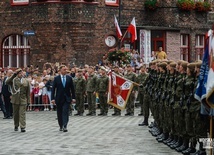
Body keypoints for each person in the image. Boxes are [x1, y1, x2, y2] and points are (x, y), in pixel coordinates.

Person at [51, 65, 76, 132]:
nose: (65, 71)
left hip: (67, 98)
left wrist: (73, 97)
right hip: (59, 98)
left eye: (66, 69)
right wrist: (52, 98)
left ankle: (65, 125)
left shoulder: (69, 78)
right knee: (59, 112)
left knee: (65, 111)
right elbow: (53, 89)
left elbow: (72, 89)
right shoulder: (56, 78)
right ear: (60, 70)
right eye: (64, 69)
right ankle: (61, 125)